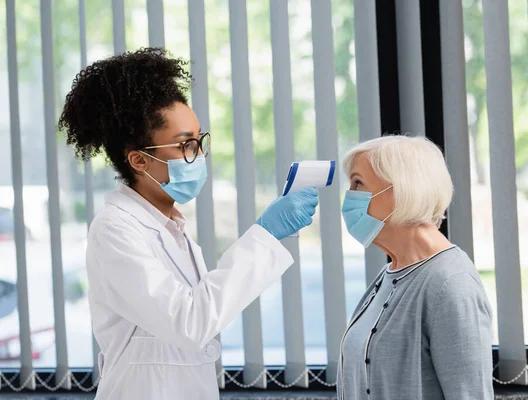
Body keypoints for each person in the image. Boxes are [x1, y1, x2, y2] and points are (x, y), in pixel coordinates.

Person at [59, 47, 318, 400]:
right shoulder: (115, 230)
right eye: (184, 145)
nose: (198, 156)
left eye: (199, 140)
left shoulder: (170, 228)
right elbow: (190, 322)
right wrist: (265, 235)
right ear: (139, 160)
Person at [337, 135, 493, 400]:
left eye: (358, 183)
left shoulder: (450, 283)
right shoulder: (389, 275)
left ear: (400, 190)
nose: (349, 196)